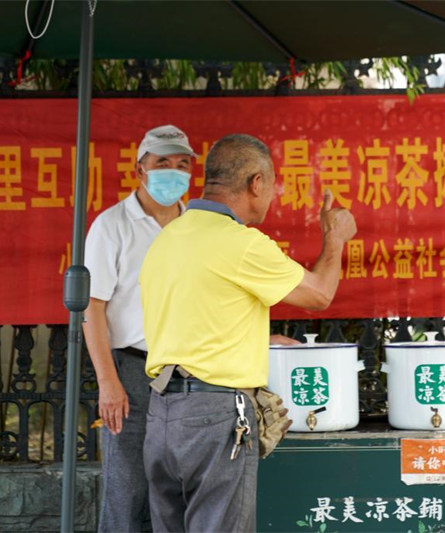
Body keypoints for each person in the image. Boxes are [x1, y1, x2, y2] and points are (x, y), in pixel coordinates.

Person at [139, 133, 357, 532]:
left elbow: (196, 319)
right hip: (213, 417)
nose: (272, 196)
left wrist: (255, 339)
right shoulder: (240, 243)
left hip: (162, 415)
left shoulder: (168, 238)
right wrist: (335, 238)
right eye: (272, 185)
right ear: (256, 183)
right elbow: (319, 293)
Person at [83, 124, 196, 533]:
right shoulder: (113, 225)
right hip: (132, 371)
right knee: (127, 487)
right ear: (140, 170)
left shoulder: (196, 226)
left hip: (192, 373)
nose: (173, 172)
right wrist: (108, 383)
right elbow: (92, 307)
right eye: (162, 163)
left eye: (182, 164)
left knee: (179, 489)